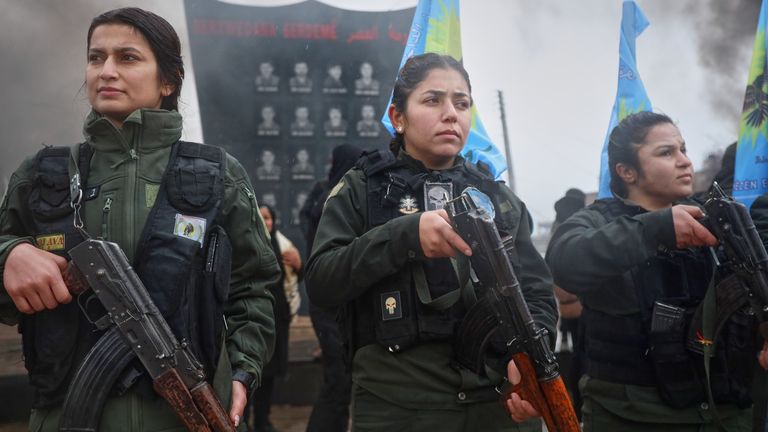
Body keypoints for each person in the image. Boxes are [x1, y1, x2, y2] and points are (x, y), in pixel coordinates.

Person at [0, 7, 279, 431]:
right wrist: (9, 255)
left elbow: (255, 288)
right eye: (96, 58)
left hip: (183, 413)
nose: (106, 71)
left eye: (127, 57)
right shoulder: (41, 176)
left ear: (168, 81)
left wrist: (243, 372)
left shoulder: (216, 176)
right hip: (67, 415)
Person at [305, 53, 556, 431]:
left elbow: (536, 291)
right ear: (398, 118)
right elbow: (322, 281)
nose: (451, 114)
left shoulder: (496, 196)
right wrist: (404, 236)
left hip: (498, 407)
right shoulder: (362, 188)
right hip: (400, 410)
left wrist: (530, 361)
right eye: (432, 100)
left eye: (462, 103)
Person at [545, 111, 768, 431]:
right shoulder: (597, 221)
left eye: (683, 150)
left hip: (724, 414)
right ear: (626, 171)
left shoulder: (716, 217)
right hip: (635, 417)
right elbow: (565, 263)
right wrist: (656, 229)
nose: (684, 161)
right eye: (666, 152)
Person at [301, 143, 363, 432]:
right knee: (337, 383)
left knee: (340, 382)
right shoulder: (336, 200)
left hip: (330, 304)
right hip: (331, 305)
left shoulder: (322, 196)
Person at [247, 205, 302, 432]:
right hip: (253, 318)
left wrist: (298, 265)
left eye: (268, 217)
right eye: (261, 217)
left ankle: (263, 421)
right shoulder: (247, 243)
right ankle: (243, 421)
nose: (265, 222)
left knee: (269, 374)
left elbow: (294, 279)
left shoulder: (283, 245)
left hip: (277, 319)